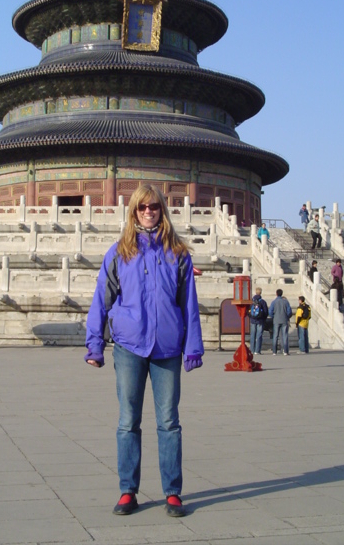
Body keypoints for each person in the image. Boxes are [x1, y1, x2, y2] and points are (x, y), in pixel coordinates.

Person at [85, 184, 204, 518]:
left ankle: (172, 492)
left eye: (154, 206)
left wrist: (193, 347)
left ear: (162, 210)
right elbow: (102, 299)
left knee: (169, 422)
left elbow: (189, 304)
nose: (148, 212)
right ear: (133, 211)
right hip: (129, 346)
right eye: (142, 207)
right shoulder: (119, 252)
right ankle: (128, 490)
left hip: (167, 347)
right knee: (128, 421)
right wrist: (95, 344)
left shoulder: (178, 253)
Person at [269, 289, 292, 355]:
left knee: (275, 336)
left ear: (276, 294)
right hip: (284, 319)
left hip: (276, 320)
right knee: (285, 335)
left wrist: (273, 316)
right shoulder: (285, 302)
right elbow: (289, 312)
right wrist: (287, 316)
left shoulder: (274, 302)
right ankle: (285, 351)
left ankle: (274, 351)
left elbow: (270, 311)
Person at [248, 287, 268, 355]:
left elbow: (248, 310)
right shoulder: (262, 302)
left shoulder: (251, 301)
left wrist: (251, 317)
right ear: (261, 293)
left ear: (255, 292)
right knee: (259, 335)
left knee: (252, 335)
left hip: (253, 320)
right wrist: (263, 319)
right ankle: (257, 350)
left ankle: (252, 350)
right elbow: (266, 312)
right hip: (260, 321)